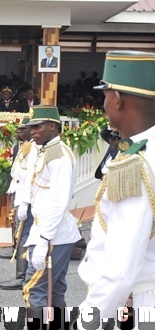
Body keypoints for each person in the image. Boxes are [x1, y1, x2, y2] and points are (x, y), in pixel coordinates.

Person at [77, 51, 155, 324]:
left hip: (140, 303)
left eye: (105, 96)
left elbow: (120, 271)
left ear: (119, 100)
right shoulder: (143, 151)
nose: (103, 105)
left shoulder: (135, 164)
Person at [22, 106, 80, 320]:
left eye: (37, 127)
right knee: (54, 289)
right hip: (50, 231)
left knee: (33, 289)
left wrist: (44, 240)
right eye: (31, 127)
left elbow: (58, 201)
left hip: (52, 233)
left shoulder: (59, 156)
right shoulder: (47, 150)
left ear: (53, 127)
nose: (32, 132)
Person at [0, 117, 35, 290]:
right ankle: (24, 275)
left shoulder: (33, 149)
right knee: (19, 233)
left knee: (23, 235)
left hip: (27, 197)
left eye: (23, 129)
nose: (19, 132)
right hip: (19, 193)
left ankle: (22, 276)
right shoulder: (22, 147)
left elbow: (29, 177)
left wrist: (24, 201)